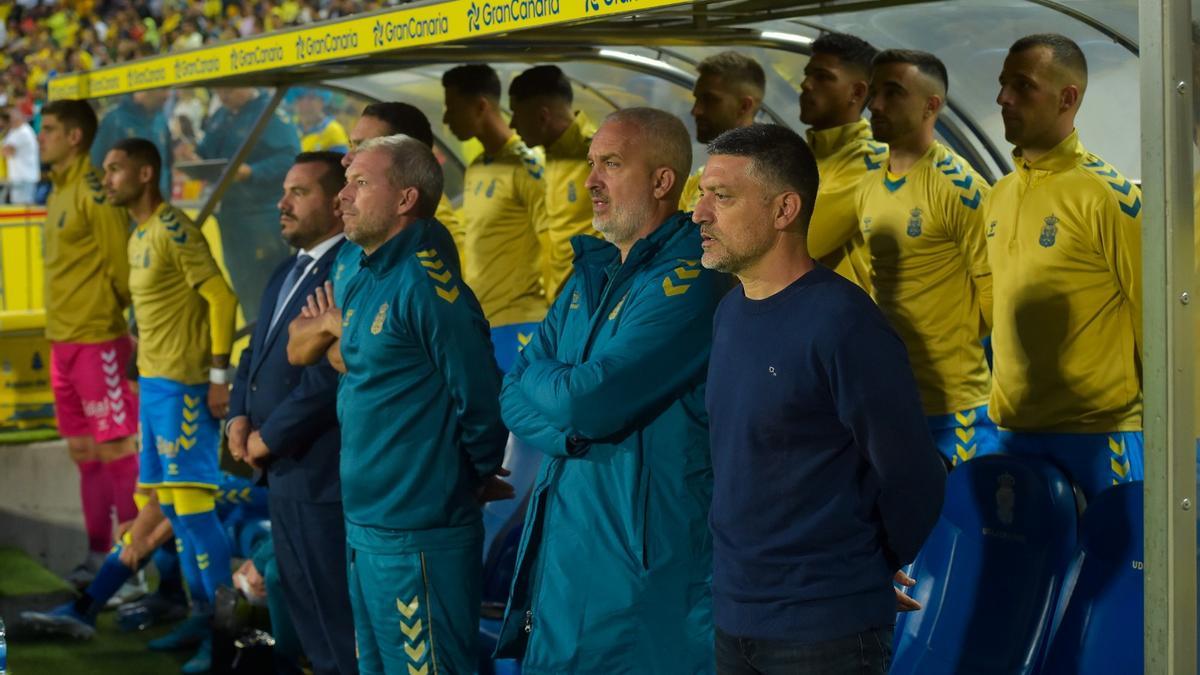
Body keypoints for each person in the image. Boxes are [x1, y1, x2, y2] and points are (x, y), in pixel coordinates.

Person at [696, 123, 946, 675]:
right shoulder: (729, 312)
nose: (699, 213)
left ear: (785, 210)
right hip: (736, 616)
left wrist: (866, 565)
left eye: (723, 197)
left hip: (824, 631)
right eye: (702, 194)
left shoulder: (843, 323)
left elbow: (914, 473)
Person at [494, 108, 725, 674]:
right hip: (564, 570)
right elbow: (512, 390)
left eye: (611, 165)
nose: (590, 180)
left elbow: (589, 401)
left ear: (662, 181)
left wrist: (562, 402)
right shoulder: (589, 271)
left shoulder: (693, 274)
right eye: (592, 163)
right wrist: (573, 430)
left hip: (638, 589)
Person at [302, 134, 509, 675]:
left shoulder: (426, 284)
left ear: (405, 199)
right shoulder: (368, 273)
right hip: (366, 527)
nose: (342, 196)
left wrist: (470, 475)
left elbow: (483, 397)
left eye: (360, 183)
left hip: (418, 535)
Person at [985, 34, 1144, 499]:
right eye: (1001, 84)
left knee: (1112, 570)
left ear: (1067, 98)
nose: (1003, 98)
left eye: (1022, 85)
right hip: (1011, 432)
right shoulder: (998, 196)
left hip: (1095, 438)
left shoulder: (1107, 197)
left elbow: (1157, 322)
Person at [102, 136, 239, 674]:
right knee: (176, 515)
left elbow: (221, 297)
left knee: (198, 515)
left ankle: (224, 639)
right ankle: (199, 614)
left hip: (184, 389)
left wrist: (218, 377)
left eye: (115, 169)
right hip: (155, 388)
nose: (107, 178)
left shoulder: (175, 228)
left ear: (144, 174)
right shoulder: (139, 234)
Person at [226, 150, 357, 675]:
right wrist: (237, 416)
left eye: (299, 193)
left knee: (334, 621)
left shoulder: (347, 268)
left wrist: (268, 437)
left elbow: (328, 377)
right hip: (282, 472)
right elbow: (252, 355)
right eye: (284, 191)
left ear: (337, 202)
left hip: (320, 472)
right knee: (306, 612)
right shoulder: (287, 269)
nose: (282, 203)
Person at [856, 49, 995, 465]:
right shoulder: (868, 185)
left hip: (957, 409)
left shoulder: (960, 189)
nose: (875, 105)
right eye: (874, 92)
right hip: (894, 399)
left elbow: (996, 299)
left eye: (893, 93)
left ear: (931, 105)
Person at [39, 99, 140, 588]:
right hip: (62, 342)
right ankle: (98, 554)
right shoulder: (57, 191)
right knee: (83, 451)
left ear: (74, 137)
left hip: (98, 339)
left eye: (50, 129)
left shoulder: (93, 194)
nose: (42, 136)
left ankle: (133, 563)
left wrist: (123, 321)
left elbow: (122, 264)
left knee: (116, 449)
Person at [285, 102, 462, 369]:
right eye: (350, 144)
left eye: (363, 146)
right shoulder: (356, 235)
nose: (346, 157)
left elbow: (390, 354)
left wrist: (336, 329)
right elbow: (297, 349)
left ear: (406, 154)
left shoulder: (427, 232)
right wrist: (328, 322)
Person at [443, 64, 548, 372]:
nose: (447, 120)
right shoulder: (476, 166)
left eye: (452, 108)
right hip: (481, 320)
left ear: (480, 106)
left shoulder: (527, 166)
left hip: (521, 322)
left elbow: (556, 243)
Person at [191, 87, 300, 322]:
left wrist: (252, 172)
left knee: (267, 285)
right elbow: (206, 153)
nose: (222, 94)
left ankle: (272, 340)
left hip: (261, 218)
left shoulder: (270, 113)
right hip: (230, 216)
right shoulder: (221, 116)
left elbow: (291, 158)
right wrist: (192, 158)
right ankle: (255, 338)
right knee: (242, 282)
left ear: (247, 86)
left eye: (228, 89)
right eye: (219, 90)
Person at [800, 32, 884, 292]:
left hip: (848, 323)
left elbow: (798, 242)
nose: (806, 84)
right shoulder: (803, 155)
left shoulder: (870, 160)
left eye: (823, 77)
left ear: (857, 92)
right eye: (808, 74)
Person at [508, 65, 599, 300]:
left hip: (594, 298)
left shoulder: (599, 155)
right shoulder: (546, 156)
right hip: (559, 302)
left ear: (542, 116)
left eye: (516, 115)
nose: (512, 126)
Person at [681, 51, 765, 211]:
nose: (696, 111)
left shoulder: (765, 179)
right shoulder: (700, 176)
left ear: (744, 106)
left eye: (710, 100)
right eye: (697, 99)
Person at [91, 90, 173, 196]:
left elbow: (167, 163)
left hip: (158, 201)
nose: (167, 95)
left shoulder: (161, 120)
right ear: (146, 89)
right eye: (163, 88)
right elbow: (96, 165)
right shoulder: (115, 121)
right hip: (125, 206)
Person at [294, 88, 350, 153]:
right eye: (300, 97)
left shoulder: (334, 130)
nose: (305, 102)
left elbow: (340, 161)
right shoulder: (291, 123)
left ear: (322, 101)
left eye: (311, 98)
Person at [2, 106, 39, 203]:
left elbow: (7, 151)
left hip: (24, 178)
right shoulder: (14, 131)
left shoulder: (24, 132)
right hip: (18, 178)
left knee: (23, 210)